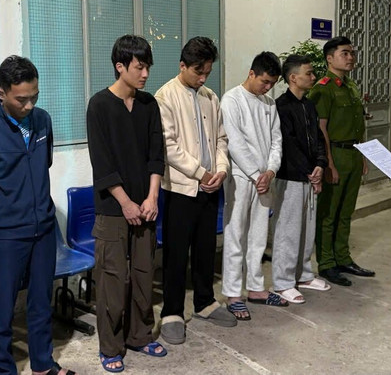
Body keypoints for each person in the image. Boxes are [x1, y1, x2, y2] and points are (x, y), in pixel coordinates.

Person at [0, 56, 77, 375]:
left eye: (34, 96)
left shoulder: (43, 120)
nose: (29, 105)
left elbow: (44, 165)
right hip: (5, 234)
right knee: (2, 310)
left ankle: (42, 364)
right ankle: (4, 370)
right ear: (1, 93)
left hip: (44, 229)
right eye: (21, 99)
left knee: (41, 302)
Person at [86, 35, 166, 373]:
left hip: (145, 206)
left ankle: (140, 335)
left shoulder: (149, 104)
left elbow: (156, 155)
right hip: (112, 208)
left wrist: (152, 197)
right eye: (139, 67)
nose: (145, 74)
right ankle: (110, 346)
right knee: (112, 280)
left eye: (148, 67)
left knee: (145, 275)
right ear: (120, 66)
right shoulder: (99, 105)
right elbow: (102, 163)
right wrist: (125, 203)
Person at [154, 37, 235, 344]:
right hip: (181, 189)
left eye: (207, 72)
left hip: (210, 186)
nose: (203, 78)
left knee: (205, 248)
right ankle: (172, 312)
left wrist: (221, 169)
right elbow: (168, 146)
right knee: (176, 253)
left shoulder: (210, 97)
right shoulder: (165, 96)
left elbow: (221, 139)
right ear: (182, 66)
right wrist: (201, 173)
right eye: (198, 72)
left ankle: (205, 302)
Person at [221, 51, 284, 319]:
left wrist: (270, 171)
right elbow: (234, 143)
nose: (268, 87)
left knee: (259, 236)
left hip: (264, 179)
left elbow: (277, 140)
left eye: (272, 83)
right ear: (251, 73)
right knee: (236, 234)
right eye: (264, 81)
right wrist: (256, 174)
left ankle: (256, 288)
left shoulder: (269, 104)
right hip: (241, 177)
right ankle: (233, 293)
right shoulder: (232, 100)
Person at [308, 36, 374, 287]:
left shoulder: (351, 86)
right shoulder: (323, 88)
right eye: (345, 53)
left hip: (353, 153)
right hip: (334, 153)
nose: (350, 57)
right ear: (329, 58)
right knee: (328, 213)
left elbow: (358, 124)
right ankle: (327, 263)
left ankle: (343, 257)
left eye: (352, 53)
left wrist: (363, 156)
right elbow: (321, 128)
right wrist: (328, 163)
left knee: (346, 211)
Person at [271, 55, 331, 304]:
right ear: (293, 78)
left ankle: (304, 275)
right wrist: (309, 171)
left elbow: (318, 138)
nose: (313, 77)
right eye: (309, 73)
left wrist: (320, 164)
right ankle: (282, 282)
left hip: (309, 176)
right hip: (290, 177)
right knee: (288, 230)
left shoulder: (308, 105)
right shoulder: (281, 107)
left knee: (307, 229)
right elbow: (288, 144)